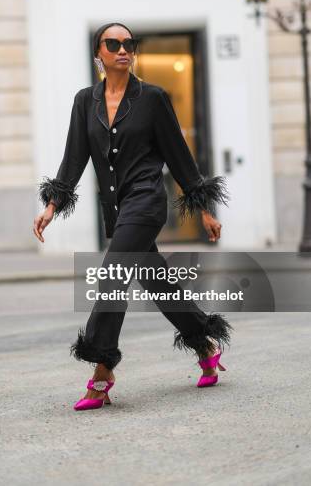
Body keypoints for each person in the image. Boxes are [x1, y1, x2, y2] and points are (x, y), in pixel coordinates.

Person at [33, 22, 233, 411]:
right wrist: (52, 205)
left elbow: (178, 152)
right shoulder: (84, 101)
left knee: (111, 276)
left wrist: (204, 209)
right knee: (157, 282)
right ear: (99, 54)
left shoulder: (152, 98)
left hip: (147, 201)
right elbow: (74, 156)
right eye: (114, 43)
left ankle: (102, 370)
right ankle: (204, 344)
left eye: (129, 43)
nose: (123, 49)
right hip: (118, 207)